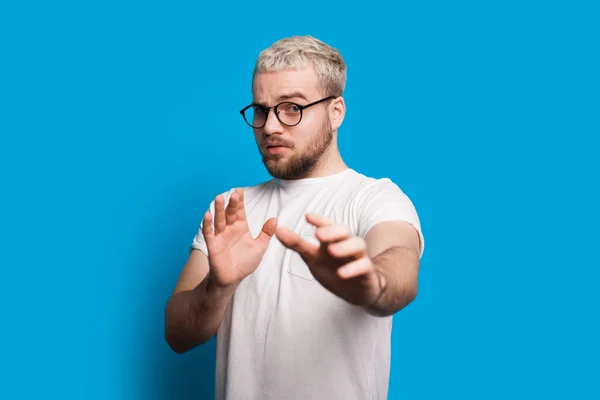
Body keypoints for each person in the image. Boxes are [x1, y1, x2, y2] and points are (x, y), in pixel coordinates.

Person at [164, 35, 425, 400]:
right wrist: (219, 286)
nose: (270, 126)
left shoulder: (374, 198)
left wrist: (370, 283)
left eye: (291, 108)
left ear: (336, 112)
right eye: (261, 109)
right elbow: (176, 334)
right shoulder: (231, 208)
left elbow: (400, 266)